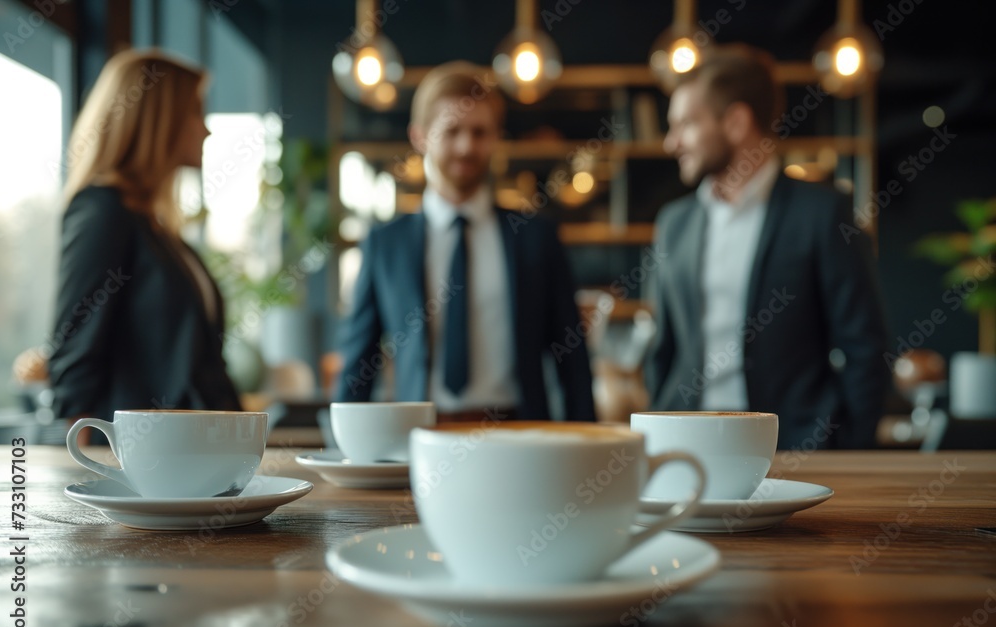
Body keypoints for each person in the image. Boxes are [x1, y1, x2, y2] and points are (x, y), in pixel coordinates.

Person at [646, 45, 889, 449]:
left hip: (794, 451)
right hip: (686, 450)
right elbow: (663, 352)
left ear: (737, 122)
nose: (671, 143)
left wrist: (850, 449)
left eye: (686, 124)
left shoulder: (823, 214)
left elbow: (866, 347)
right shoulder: (674, 223)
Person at [333, 61, 595, 422]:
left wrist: (588, 456)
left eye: (479, 132)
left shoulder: (536, 237)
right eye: (451, 130)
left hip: (520, 435)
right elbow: (359, 362)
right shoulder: (385, 245)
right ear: (420, 136)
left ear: (496, 138)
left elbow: (573, 362)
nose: (466, 146)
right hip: (420, 437)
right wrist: (348, 452)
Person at [48, 49, 241, 433]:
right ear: (157, 121)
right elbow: (76, 353)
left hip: (193, 452)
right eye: (195, 112)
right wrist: (81, 465)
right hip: (142, 464)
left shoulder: (156, 227)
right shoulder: (103, 211)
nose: (206, 130)